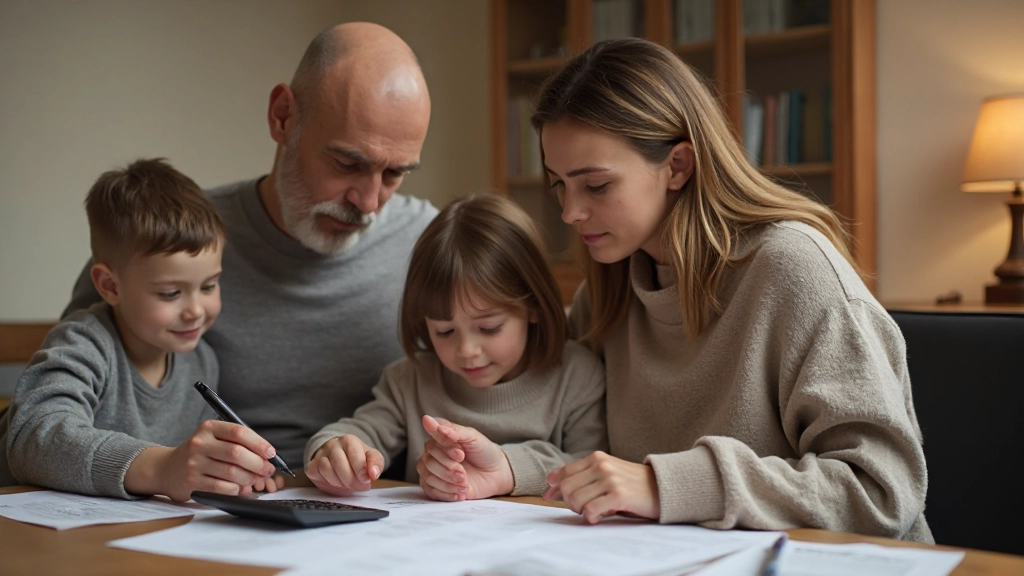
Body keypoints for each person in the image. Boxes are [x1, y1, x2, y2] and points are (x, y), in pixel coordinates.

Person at [416, 38, 933, 543]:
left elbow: (880, 491)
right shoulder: (610, 289)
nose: (570, 212)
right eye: (558, 184)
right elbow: (582, 448)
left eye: (596, 186)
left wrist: (668, 484)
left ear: (677, 167)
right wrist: (506, 467)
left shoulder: (794, 270)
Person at [61, 23, 438, 469]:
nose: (369, 202)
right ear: (282, 116)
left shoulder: (432, 244)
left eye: (395, 173)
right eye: (347, 163)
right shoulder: (173, 243)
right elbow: (52, 419)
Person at [0, 158, 282, 501]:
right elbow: (34, 439)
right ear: (110, 286)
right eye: (170, 293)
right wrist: (162, 468)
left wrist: (232, 473)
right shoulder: (83, 343)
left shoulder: (202, 362)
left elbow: (186, 468)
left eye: (209, 286)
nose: (195, 310)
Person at [304, 195, 607, 499]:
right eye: (444, 331)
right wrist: (335, 453)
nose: (467, 350)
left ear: (534, 306)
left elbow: (592, 464)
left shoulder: (578, 376)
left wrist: (509, 469)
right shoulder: (410, 381)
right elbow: (360, 432)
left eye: (489, 328)